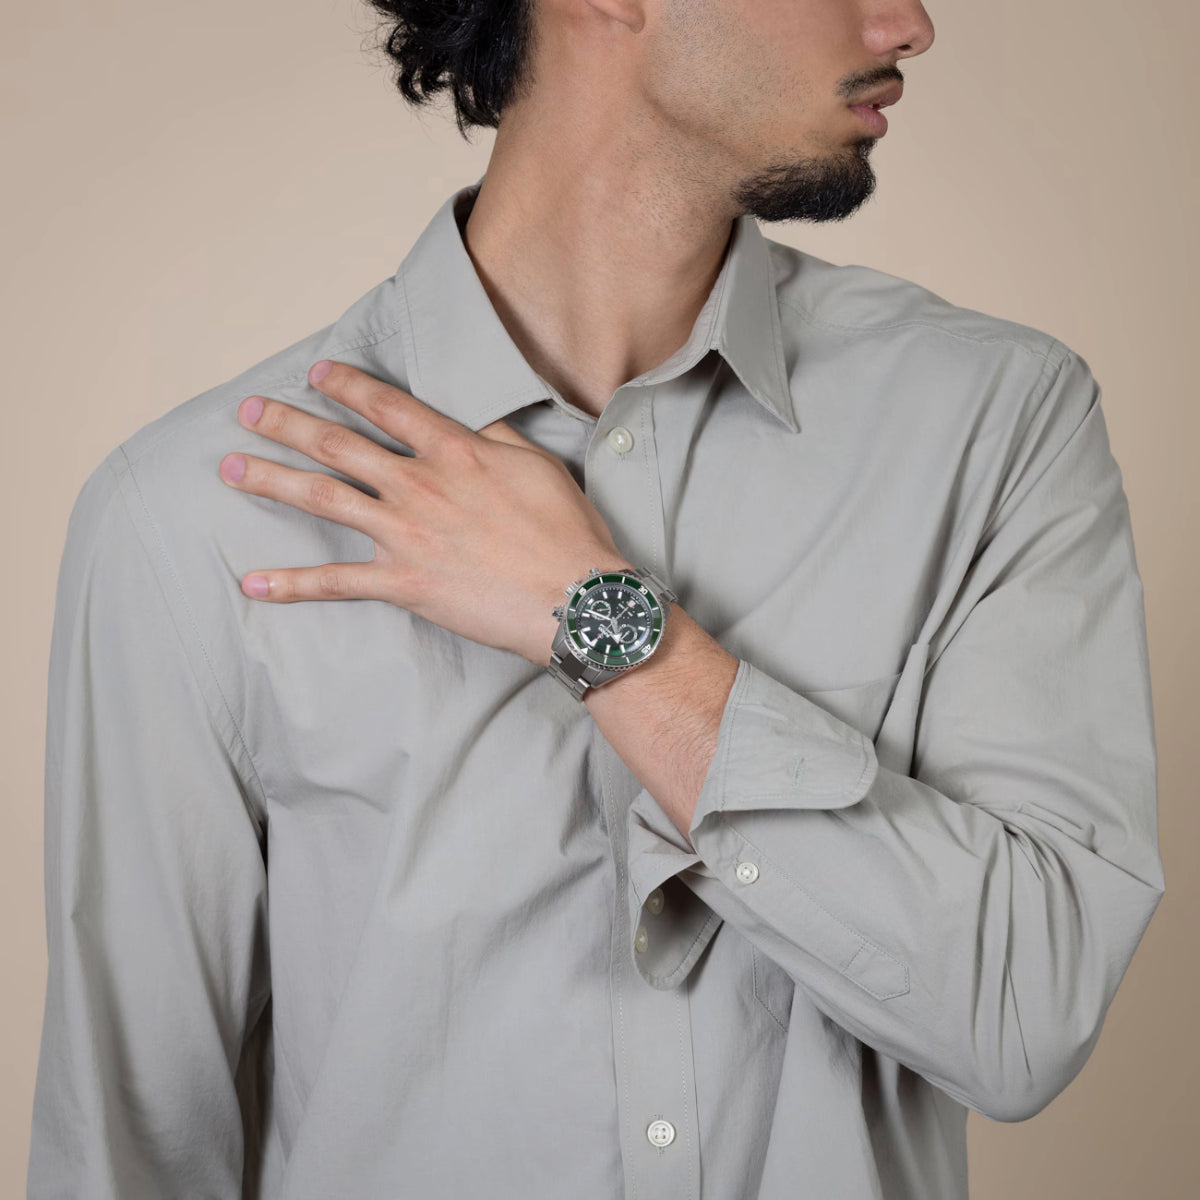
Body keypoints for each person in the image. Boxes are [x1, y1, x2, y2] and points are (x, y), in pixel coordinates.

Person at [28, 0, 1165, 1197]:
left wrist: (604, 626)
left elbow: (1024, 1013)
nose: (911, 23)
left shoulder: (995, 426)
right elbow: (129, 1153)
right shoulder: (197, 517)